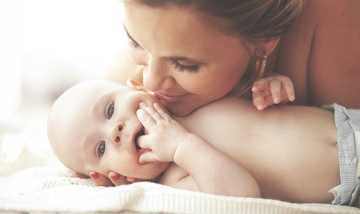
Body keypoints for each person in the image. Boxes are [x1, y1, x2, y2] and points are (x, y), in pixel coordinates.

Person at [48, 79, 360, 206]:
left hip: (343, 118)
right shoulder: (175, 179)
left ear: (137, 85)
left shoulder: (188, 97)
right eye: (101, 149)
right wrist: (181, 146)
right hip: (349, 181)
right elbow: (241, 195)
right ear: (107, 177)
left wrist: (271, 83)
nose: (114, 131)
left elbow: (245, 87)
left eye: (110, 109)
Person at [104, 0, 360, 115]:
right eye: (136, 42)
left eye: (184, 65)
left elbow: (349, 148)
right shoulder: (118, 84)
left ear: (265, 37)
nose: (150, 81)